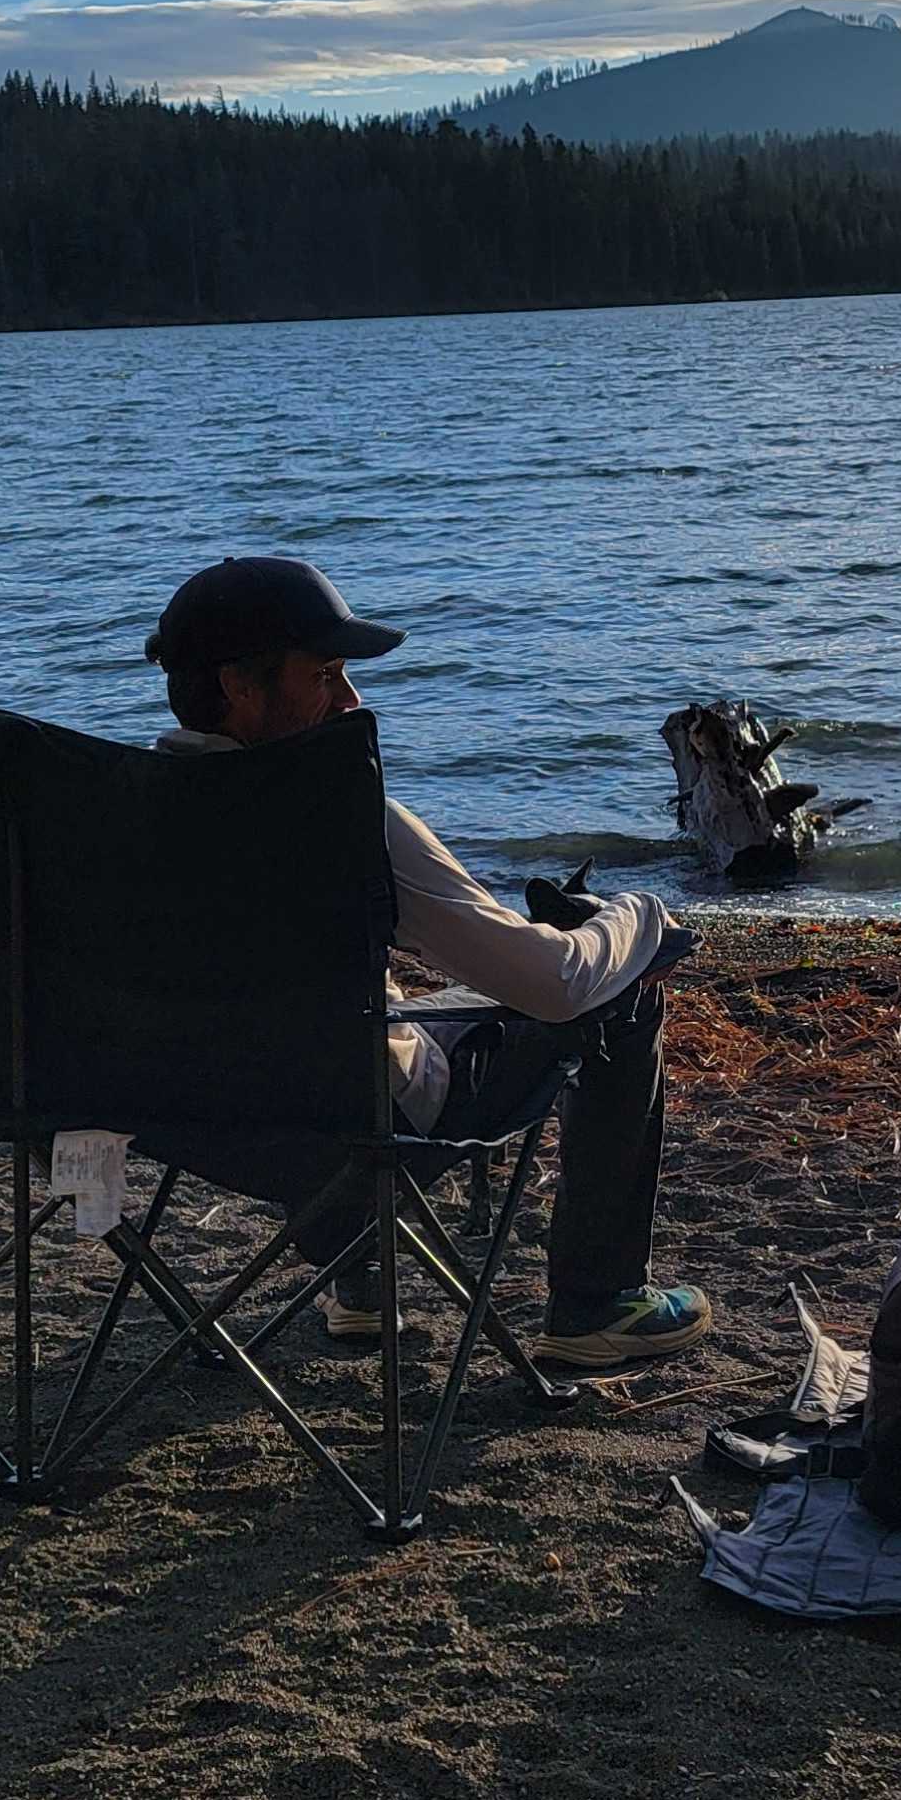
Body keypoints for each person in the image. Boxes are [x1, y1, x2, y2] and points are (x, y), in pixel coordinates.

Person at [143, 554, 713, 1374]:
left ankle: (363, 1278)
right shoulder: (345, 817)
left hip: (192, 1119)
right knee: (616, 993)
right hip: (365, 1122)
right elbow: (551, 986)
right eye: (328, 674)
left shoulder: (117, 813)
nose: (352, 701)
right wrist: (638, 920)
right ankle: (599, 1303)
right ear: (238, 687)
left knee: (340, 1018)